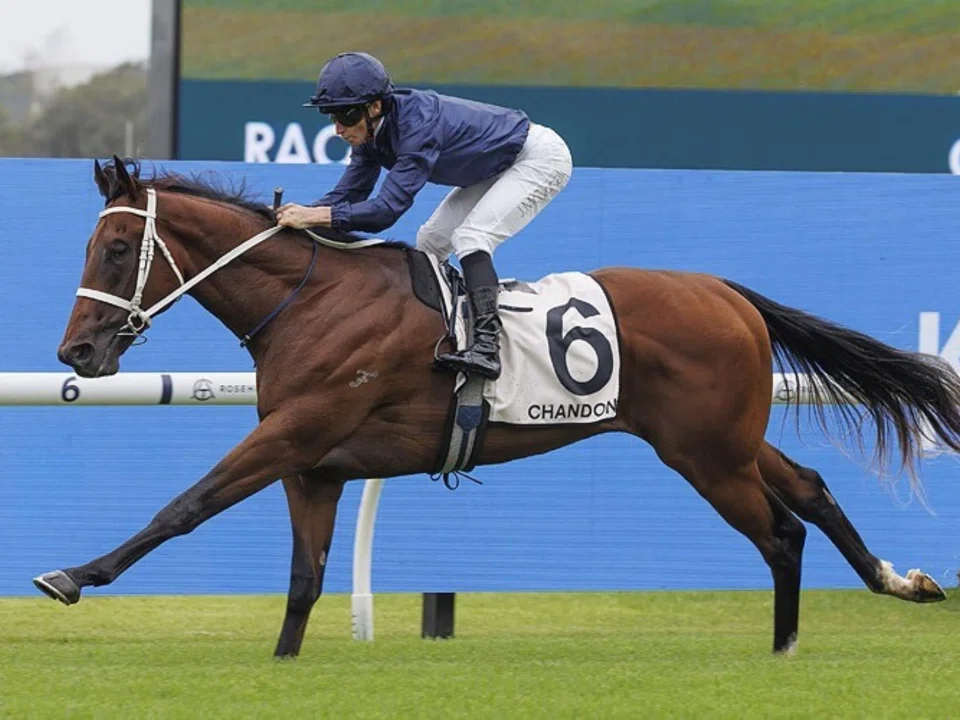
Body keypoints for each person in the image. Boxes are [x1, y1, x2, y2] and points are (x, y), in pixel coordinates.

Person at [276, 52, 573, 380]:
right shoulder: (371, 133)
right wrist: (294, 219)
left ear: (374, 107)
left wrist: (314, 217)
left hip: (537, 158)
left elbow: (386, 211)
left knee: (472, 237)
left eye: (343, 116)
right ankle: (443, 334)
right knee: (430, 242)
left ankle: (488, 348)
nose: (337, 129)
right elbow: (348, 196)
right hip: (498, 163)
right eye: (330, 116)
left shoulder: (418, 126)